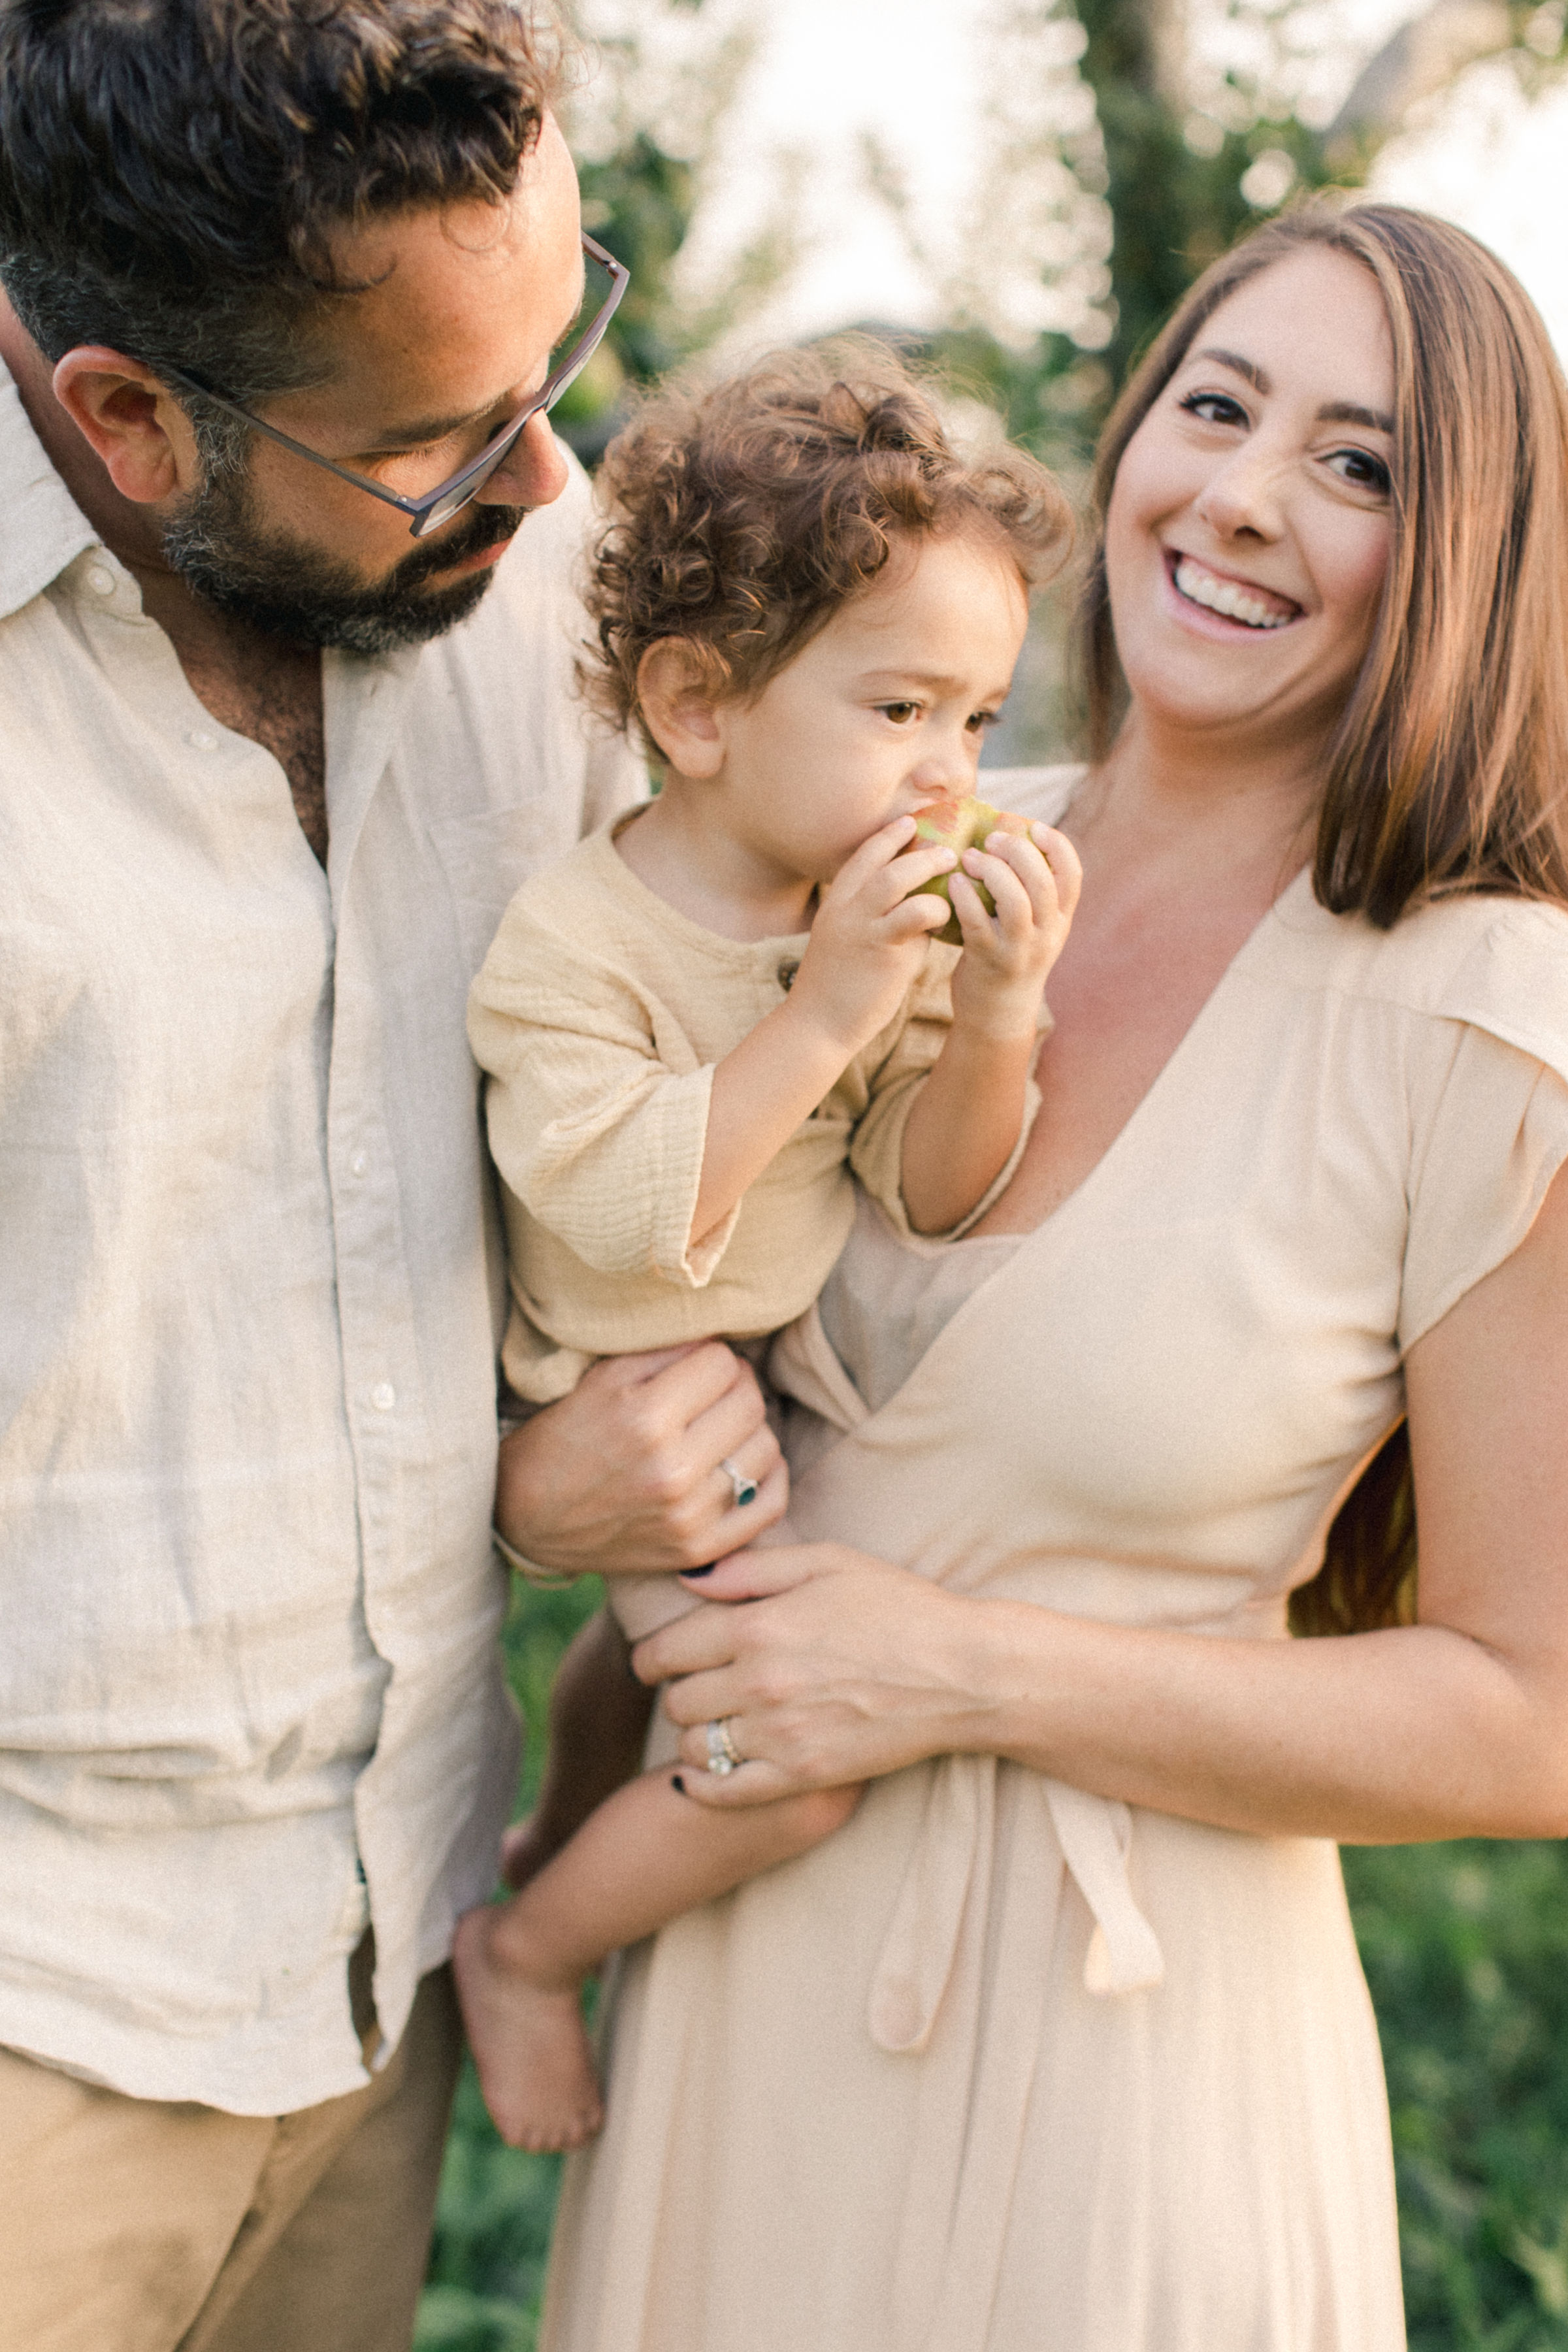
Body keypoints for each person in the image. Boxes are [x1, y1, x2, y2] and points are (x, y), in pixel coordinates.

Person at [536, 200, 1568, 2351]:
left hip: (1133, 2072)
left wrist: (965, 1674)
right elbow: (579, 1248)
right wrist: (549, 1496)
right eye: (1217, 406)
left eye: (1360, 464)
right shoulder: (875, 828)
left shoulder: (1485, 1016)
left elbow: (1530, 1719)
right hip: (735, 2006)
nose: (1245, 496)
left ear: (1462, 554)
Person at [0, 7, 790, 2348]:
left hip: (383, 1971)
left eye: (565, 355)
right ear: (127, 416)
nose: (551, 479)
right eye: (444, 439)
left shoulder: (530, 596)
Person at [454, 349, 1078, 2153]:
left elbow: (926, 1189)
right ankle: (532, 1948)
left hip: (750, 1379)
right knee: (783, 1772)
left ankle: (551, 1845)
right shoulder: (578, 940)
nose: (952, 772)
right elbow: (632, 1204)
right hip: (626, 1379)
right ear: (701, 707)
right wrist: (821, 1014)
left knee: (627, 1672)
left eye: (978, 721)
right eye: (902, 712)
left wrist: (993, 1026)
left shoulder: (854, 927)